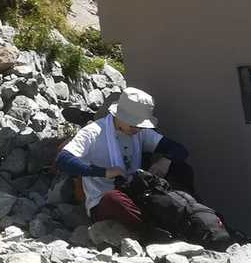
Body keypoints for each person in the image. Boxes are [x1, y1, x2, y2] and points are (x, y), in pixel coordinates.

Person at [56, 87, 192, 232]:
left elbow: (180, 150)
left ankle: (186, 217)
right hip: (103, 199)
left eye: (141, 126)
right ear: (119, 116)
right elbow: (63, 160)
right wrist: (104, 172)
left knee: (181, 169)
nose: (137, 130)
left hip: (137, 194)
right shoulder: (93, 132)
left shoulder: (140, 132)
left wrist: (166, 160)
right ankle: (154, 231)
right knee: (113, 199)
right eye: (134, 124)